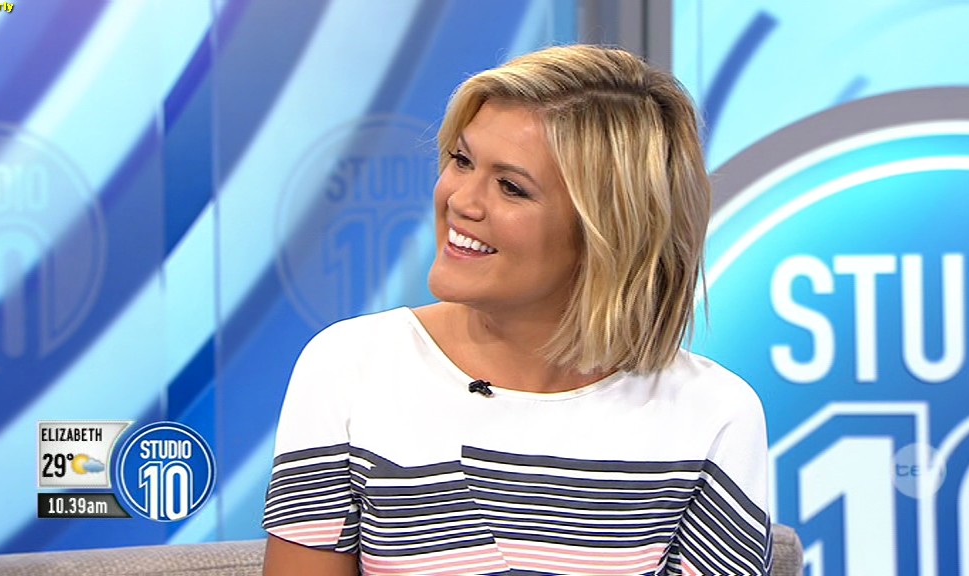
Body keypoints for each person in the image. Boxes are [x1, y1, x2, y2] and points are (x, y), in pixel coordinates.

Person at [262, 44, 772, 575]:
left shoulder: (712, 414)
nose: (461, 201)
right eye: (462, 161)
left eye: (510, 187)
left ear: (609, 230)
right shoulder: (351, 367)